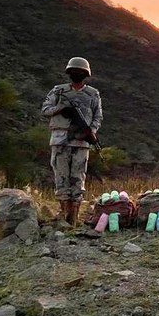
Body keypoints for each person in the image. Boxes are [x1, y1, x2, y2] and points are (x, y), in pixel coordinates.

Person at [41, 57, 103, 226]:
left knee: (78, 178)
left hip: (81, 142)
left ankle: (73, 217)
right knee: (61, 177)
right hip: (60, 140)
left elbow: (97, 117)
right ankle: (63, 213)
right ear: (69, 73)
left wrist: (91, 131)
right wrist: (62, 108)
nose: (77, 74)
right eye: (74, 71)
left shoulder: (92, 94)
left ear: (86, 74)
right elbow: (45, 110)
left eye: (80, 72)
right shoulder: (58, 91)